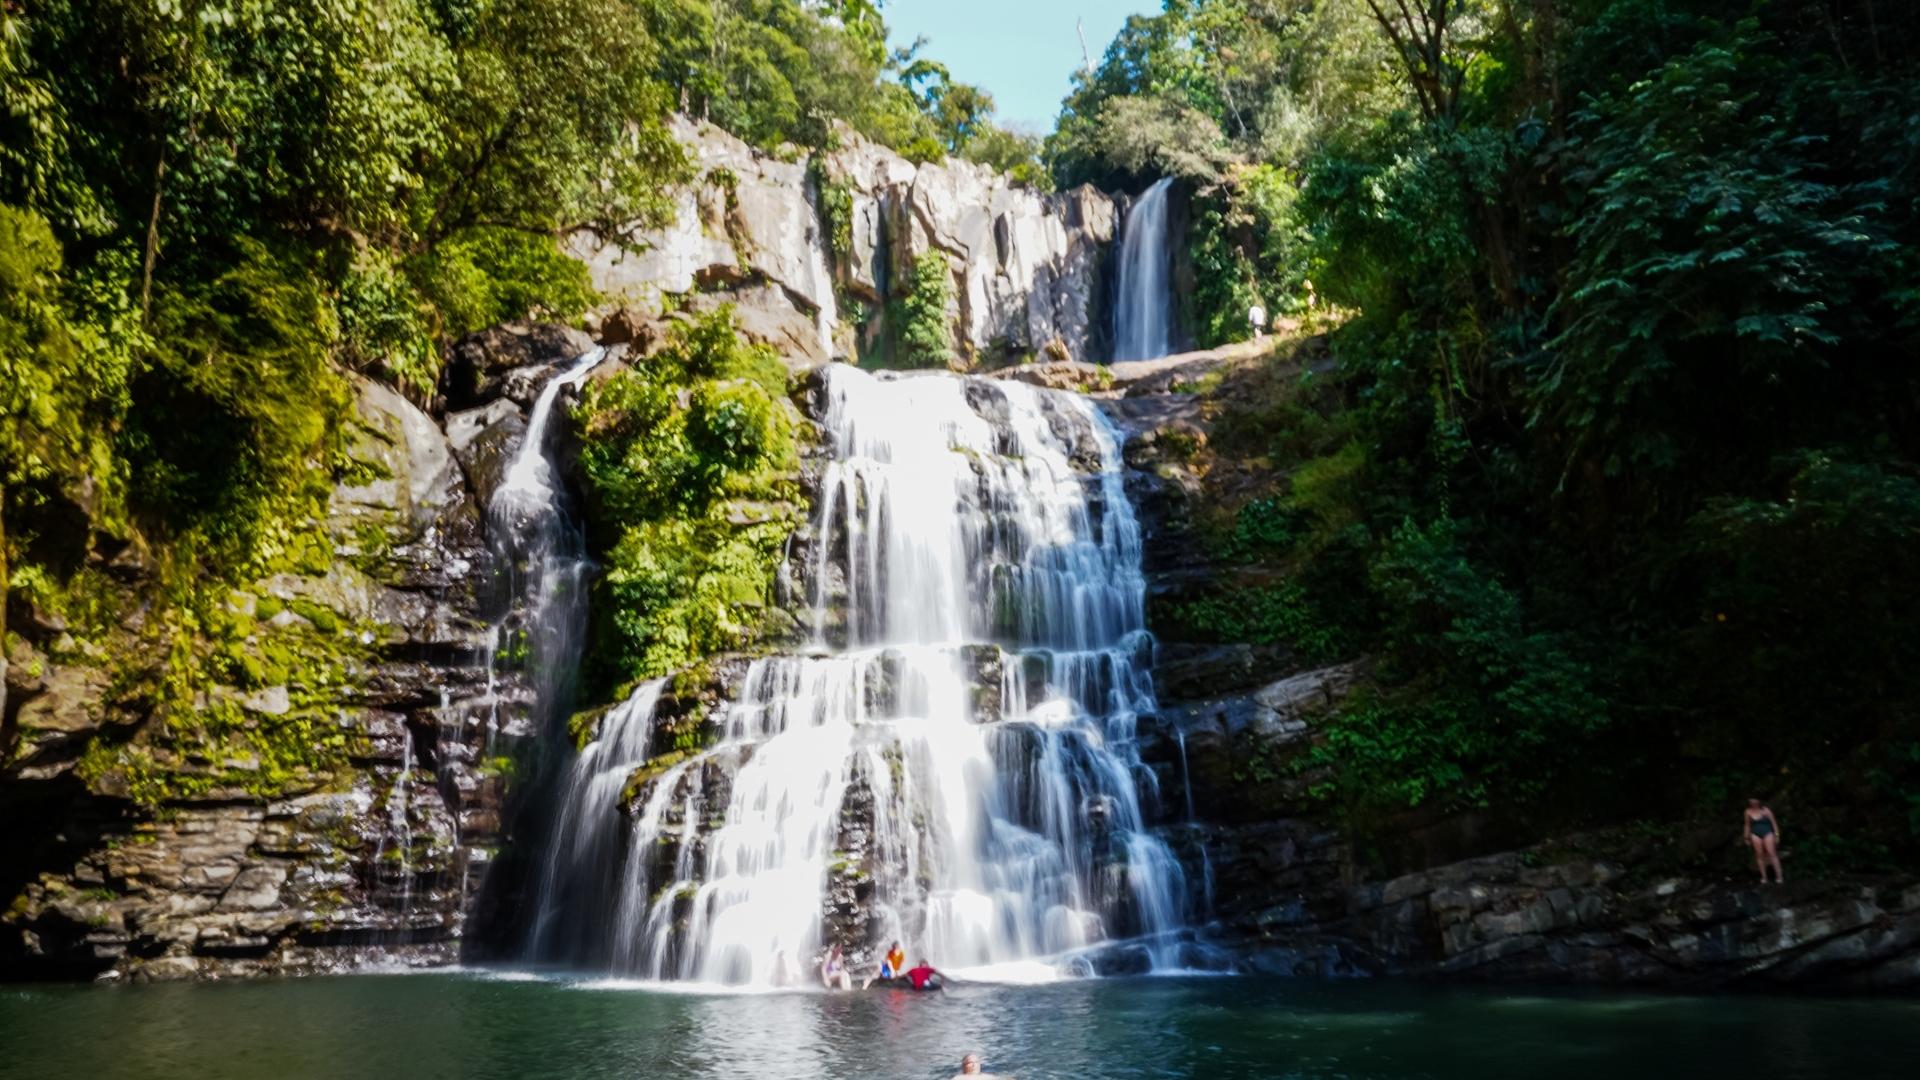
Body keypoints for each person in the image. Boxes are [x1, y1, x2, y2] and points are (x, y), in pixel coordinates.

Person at [1743, 797, 1784, 884]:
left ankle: (1779, 876)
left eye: (1755, 799)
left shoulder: (1766, 810)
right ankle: (1764, 877)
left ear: (1759, 800)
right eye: (1751, 800)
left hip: (1767, 832)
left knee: (1771, 853)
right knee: (1759, 855)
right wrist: (1746, 837)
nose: (1753, 801)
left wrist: (1777, 835)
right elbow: (1747, 825)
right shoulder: (1747, 811)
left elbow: (1774, 823)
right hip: (1755, 833)